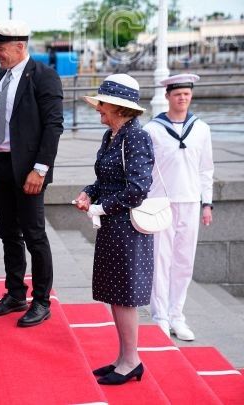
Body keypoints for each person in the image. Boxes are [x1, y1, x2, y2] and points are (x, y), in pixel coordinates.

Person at [0, 20, 63, 327]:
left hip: (29, 169)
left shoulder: (44, 77)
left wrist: (40, 169)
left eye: (0, 48)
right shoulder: (1, 78)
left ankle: (41, 300)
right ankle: (15, 294)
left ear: (20, 46)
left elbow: (53, 126)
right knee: (8, 234)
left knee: (34, 235)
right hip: (1, 166)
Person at [74, 73, 154, 385]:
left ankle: (131, 360)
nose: (98, 109)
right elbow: (106, 180)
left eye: (102, 104)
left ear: (119, 108)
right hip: (113, 225)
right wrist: (88, 193)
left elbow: (137, 189)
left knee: (124, 297)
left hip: (126, 227)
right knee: (116, 295)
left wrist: (99, 207)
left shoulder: (136, 136)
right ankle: (124, 357)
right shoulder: (113, 135)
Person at [143, 73, 214, 341]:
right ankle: (159, 315)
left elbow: (206, 169)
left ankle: (177, 315)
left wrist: (207, 203)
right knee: (160, 261)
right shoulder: (153, 129)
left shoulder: (202, 129)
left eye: (186, 94)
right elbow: (146, 170)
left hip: (190, 202)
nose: (182, 98)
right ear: (168, 96)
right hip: (161, 203)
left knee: (184, 262)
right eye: (177, 94)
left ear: (191, 96)